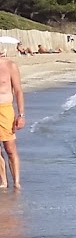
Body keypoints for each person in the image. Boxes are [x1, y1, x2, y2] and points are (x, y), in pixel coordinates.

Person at [0, 44, 24, 190]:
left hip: (5, 110)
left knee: (10, 148)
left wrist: (21, 115)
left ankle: (16, 182)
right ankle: (3, 181)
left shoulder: (9, 65)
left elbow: (18, 91)